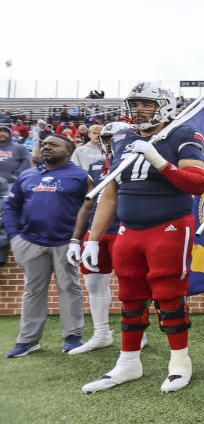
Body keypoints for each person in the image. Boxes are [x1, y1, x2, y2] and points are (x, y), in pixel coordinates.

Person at [80, 83, 204, 394]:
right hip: (128, 230)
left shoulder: (182, 133)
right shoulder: (123, 137)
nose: (137, 110)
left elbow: (197, 183)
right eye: (134, 103)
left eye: (145, 104)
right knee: (130, 296)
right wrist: (93, 238)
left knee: (168, 295)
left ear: (163, 105)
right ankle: (128, 362)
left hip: (169, 226)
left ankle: (179, 361)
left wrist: (160, 161)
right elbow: (111, 190)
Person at [4, 135, 90, 357]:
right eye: (45, 144)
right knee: (33, 290)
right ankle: (28, 340)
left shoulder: (81, 176)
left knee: (69, 287)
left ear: (69, 151)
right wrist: (15, 237)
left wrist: (79, 239)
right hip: (30, 242)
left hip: (65, 242)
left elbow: (91, 208)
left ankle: (73, 337)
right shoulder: (28, 175)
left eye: (54, 144)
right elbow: (12, 207)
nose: (47, 147)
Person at [66, 121, 134, 355]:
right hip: (96, 232)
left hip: (124, 229)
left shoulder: (134, 163)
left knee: (131, 285)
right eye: (105, 139)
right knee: (94, 284)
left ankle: (139, 332)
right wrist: (77, 238)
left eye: (113, 138)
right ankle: (101, 333)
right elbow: (88, 203)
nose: (109, 143)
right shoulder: (95, 165)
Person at [0, 124, 32, 197]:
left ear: (10, 134)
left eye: (5, 132)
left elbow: (27, 161)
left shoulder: (19, 147)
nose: (2, 134)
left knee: (7, 205)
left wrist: (17, 174)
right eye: (0, 132)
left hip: (10, 184)